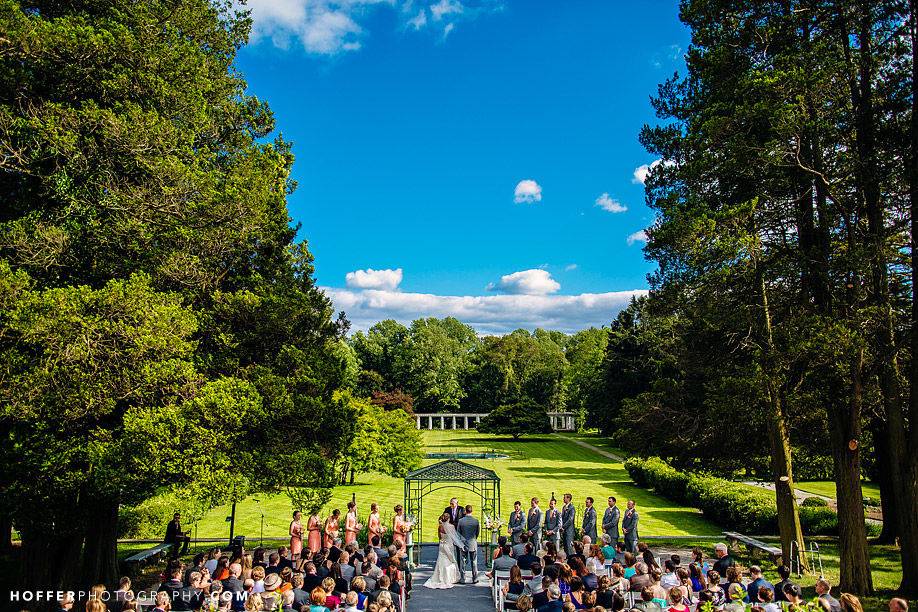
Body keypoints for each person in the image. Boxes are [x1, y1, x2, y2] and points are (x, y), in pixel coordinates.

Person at [424, 511, 462, 588]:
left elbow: (439, 537)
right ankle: (450, 578)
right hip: (449, 544)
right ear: (449, 519)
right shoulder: (451, 527)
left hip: (442, 544)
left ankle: (439, 577)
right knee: (450, 560)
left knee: (441, 560)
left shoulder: (440, 527)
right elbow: (454, 537)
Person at [457, 504, 481, 583]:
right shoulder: (476, 521)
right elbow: (477, 533)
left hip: (463, 543)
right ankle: (475, 578)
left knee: (463, 561)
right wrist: (474, 539)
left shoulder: (461, 521)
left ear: (465, 511)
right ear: (471, 511)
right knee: (474, 561)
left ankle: (463, 578)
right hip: (472, 543)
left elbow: (458, 533)